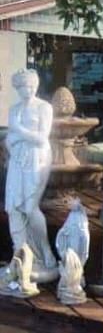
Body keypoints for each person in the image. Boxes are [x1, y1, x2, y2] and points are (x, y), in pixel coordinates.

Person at [4, 69, 57, 280]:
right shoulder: (14, 109)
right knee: (14, 207)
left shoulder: (44, 108)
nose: (30, 90)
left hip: (37, 158)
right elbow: (9, 141)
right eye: (25, 87)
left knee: (30, 207)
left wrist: (19, 130)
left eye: (33, 86)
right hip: (18, 159)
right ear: (18, 88)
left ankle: (45, 252)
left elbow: (42, 139)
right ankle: (20, 255)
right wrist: (17, 137)